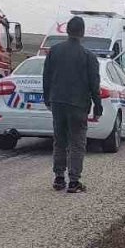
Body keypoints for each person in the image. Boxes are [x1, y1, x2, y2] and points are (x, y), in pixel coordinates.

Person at [42, 15, 103, 194]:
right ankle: (74, 181)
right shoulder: (88, 56)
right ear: (82, 33)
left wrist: (47, 98)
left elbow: (46, 77)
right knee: (77, 142)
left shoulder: (54, 51)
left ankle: (59, 178)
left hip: (58, 103)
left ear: (67, 30)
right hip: (78, 105)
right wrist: (98, 106)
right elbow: (94, 84)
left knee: (59, 141)